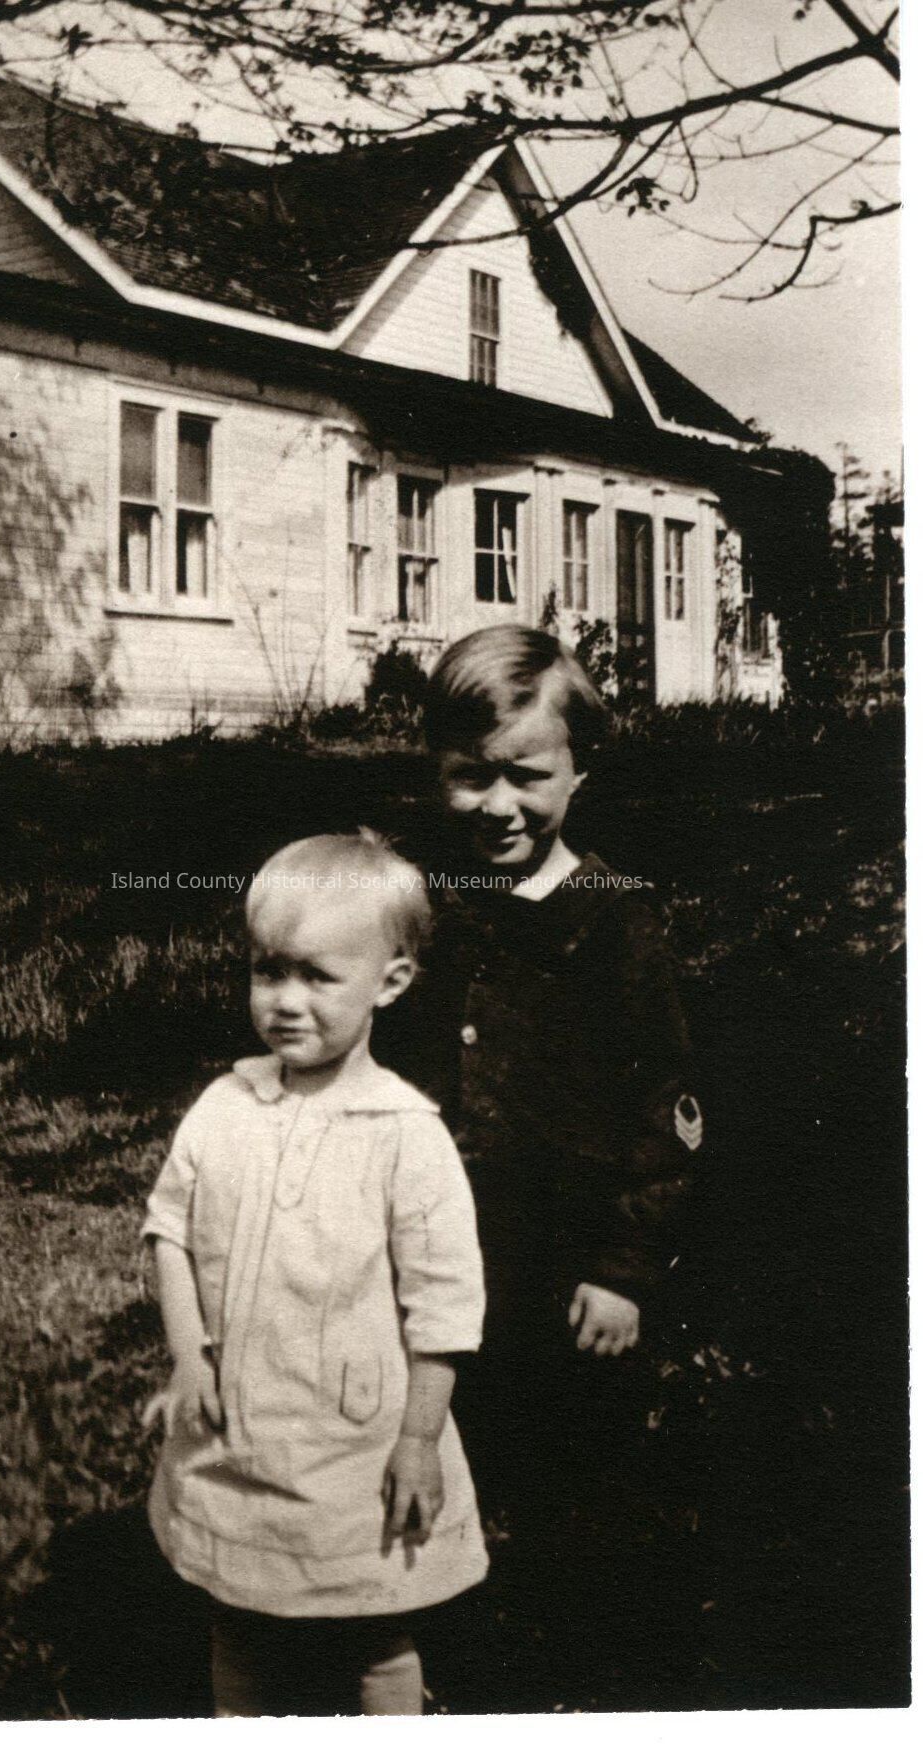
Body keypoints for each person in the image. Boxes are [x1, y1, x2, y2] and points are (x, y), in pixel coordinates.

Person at [381, 624, 704, 1704]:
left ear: (577, 770)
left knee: (575, 1480)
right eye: (470, 776)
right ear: (436, 769)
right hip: (435, 1265)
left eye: (527, 775)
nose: (498, 805)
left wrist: (624, 1267)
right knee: (433, 1457)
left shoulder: (615, 925)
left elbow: (664, 1112)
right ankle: (430, 1659)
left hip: (564, 1268)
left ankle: (573, 1677)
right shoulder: (422, 909)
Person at [141, 831, 488, 1718]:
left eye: (317, 976)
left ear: (389, 982)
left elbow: (444, 1306)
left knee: (376, 1626)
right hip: (238, 1428)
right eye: (268, 971)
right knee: (239, 1616)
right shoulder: (224, 1107)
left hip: (355, 1444)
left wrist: (418, 1438)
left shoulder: (404, 1133)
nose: (286, 1001)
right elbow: (169, 1229)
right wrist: (188, 1356)